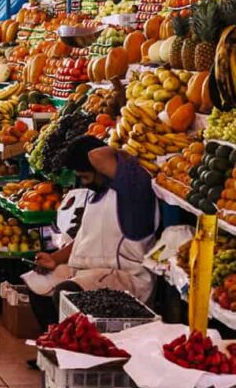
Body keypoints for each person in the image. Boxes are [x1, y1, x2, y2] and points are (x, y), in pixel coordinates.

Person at [27, 136, 158, 329]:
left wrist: (120, 144)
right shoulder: (95, 192)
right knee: (37, 283)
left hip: (126, 278)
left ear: (101, 169)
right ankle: (55, 344)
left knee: (67, 292)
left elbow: (97, 155)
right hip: (90, 272)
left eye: (85, 177)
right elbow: (83, 238)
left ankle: (73, 350)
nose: (83, 182)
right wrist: (55, 259)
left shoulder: (132, 192)